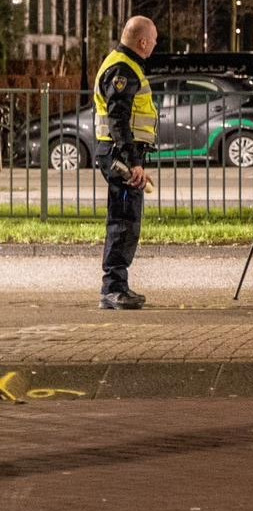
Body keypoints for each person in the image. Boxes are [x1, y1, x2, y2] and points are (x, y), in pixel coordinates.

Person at [93, 16, 159, 310]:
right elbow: (118, 119)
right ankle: (113, 288)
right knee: (123, 221)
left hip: (119, 153)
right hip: (120, 156)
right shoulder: (123, 68)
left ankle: (117, 285)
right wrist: (133, 161)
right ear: (142, 41)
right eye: (154, 40)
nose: (155, 45)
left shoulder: (123, 63)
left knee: (126, 219)